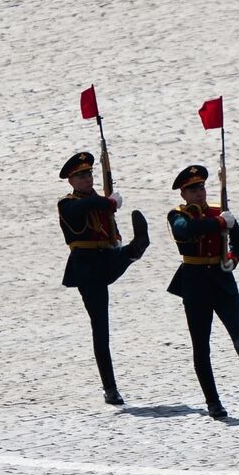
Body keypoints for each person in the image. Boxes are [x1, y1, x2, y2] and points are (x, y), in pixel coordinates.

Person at [166, 164, 239, 418]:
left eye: (201, 187)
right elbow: (186, 230)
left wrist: (233, 258)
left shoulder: (218, 212)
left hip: (221, 278)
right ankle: (212, 400)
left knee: (236, 325)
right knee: (201, 344)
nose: (199, 193)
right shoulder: (178, 215)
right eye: (192, 190)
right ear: (183, 194)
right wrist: (219, 221)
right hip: (194, 281)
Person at [57, 151, 149, 405]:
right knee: (101, 328)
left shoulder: (100, 200)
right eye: (81, 175)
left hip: (106, 257)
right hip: (86, 267)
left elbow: (105, 220)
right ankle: (110, 387)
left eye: (88, 174)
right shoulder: (67, 203)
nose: (87, 179)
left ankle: (134, 249)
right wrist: (109, 203)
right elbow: (82, 208)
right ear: (71, 181)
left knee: (122, 254)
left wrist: (113, 226)